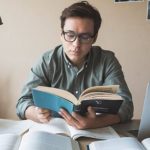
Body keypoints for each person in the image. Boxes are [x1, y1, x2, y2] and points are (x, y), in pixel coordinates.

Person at [16, 1, 133, 129]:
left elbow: (126, 105)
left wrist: (97, 122)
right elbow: (23, 102)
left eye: (85, 37)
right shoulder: (46, 61)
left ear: (94, 38)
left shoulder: (107, 60)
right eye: (70, 35)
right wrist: (36, 113)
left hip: (96, 131)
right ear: (61, 35)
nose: (76, 44)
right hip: (54, 130)